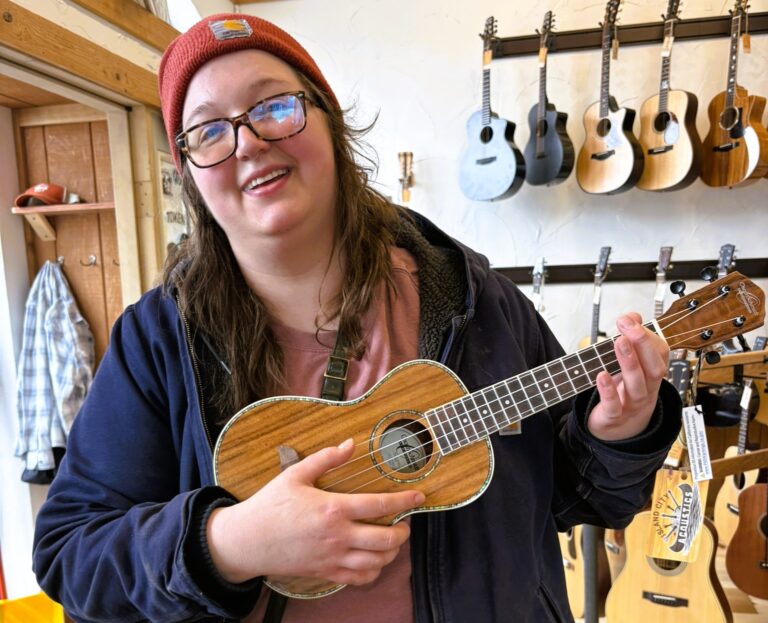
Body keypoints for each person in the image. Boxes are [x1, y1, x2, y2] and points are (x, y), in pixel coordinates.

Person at [32, 13, 681, 623]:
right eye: (209, 130)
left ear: (328, 119)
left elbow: (583, 496)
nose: (249, 143)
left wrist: (618, 432)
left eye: (274, 107)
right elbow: (71, 554)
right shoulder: (159, 340)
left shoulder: (475, 302)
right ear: (189, 172)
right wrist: (230, 542)